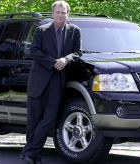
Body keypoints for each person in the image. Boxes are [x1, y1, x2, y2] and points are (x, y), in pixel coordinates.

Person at [20, 1, 82, 163]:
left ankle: (29, 151)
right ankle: (33, 154)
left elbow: (78, 52)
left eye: (64, 12)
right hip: (39, 79)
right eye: (58, 12)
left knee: (49, 118)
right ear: (52, 14)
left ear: (68, 14)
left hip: (58, 80)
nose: (61, 15)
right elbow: (33, 50)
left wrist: (66, 59)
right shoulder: (41, 30)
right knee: (34, 119)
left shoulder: (75, 31)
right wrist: (52, 61)